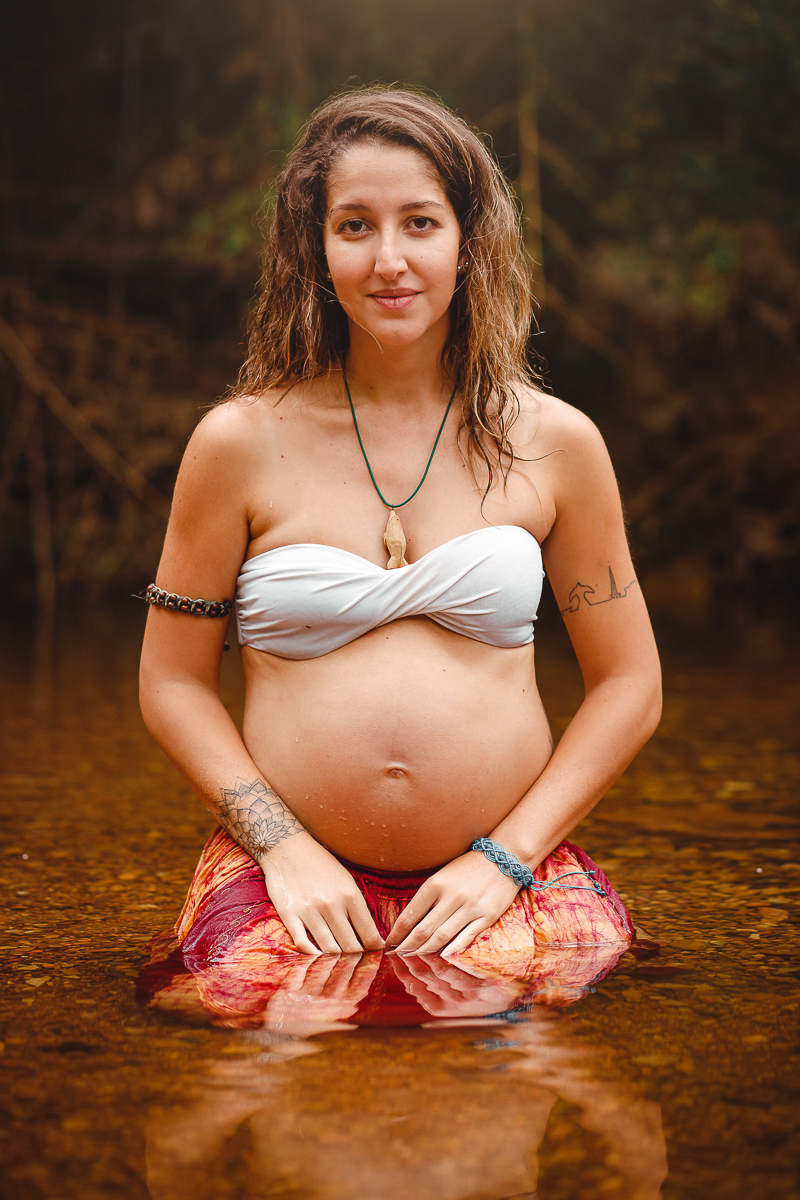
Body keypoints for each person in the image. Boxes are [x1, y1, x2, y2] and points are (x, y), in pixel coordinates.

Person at [139, 87, 661, 963]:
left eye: (420, 222)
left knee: (537, 1037)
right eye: (354, 226)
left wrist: (507, 859)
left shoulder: (556, 444)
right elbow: (173, 684)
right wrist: (283, 847)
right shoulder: (239, 442)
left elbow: (630, 686)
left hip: (500, 873)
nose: (390, 259)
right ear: (315, 248)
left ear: (469, 242)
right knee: (256, 1029)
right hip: (298, 878)